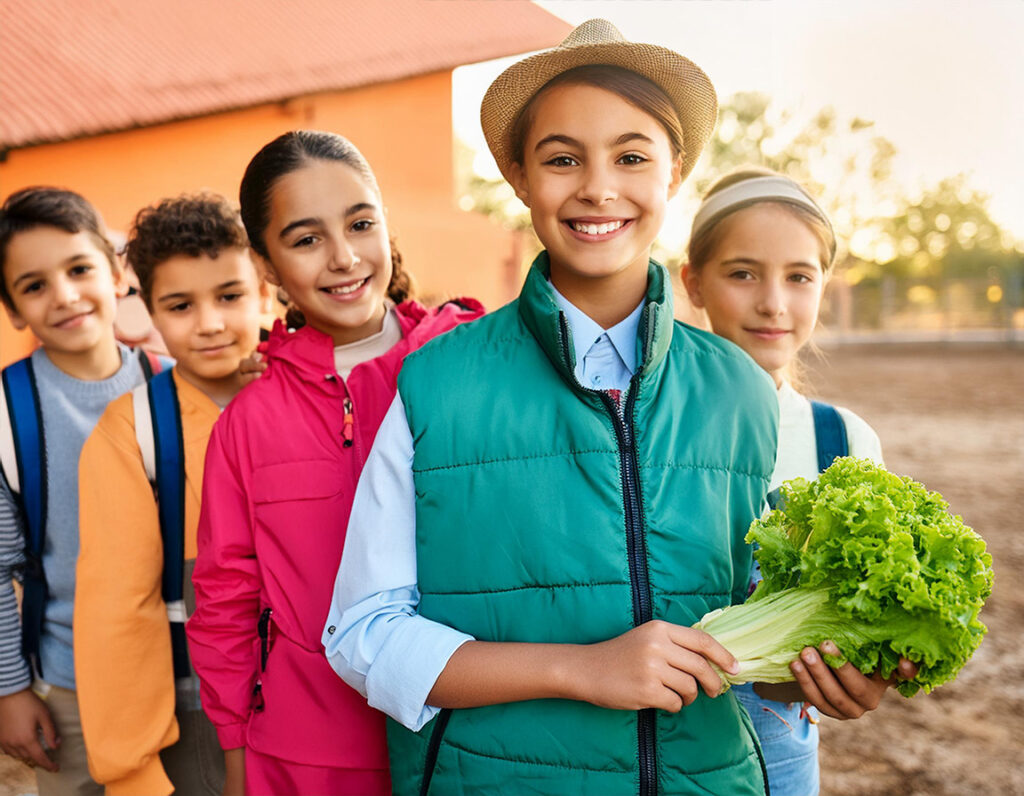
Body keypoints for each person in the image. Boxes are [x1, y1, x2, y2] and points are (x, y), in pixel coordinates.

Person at [323, 20, 797, 796]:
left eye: (632, 157)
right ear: (518, 176)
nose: (598, 187)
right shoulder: (437, 385)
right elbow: (364, 637)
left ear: (674, 172)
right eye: (562, 158)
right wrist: (584, 669)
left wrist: (814, 675)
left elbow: (750, 629)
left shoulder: (743, 389)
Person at [184, 130, 484, 796]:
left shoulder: (464, 367)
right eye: (306, 238)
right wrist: (238, 757)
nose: (345, 258)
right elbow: (226, 603)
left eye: (360, 224)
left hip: (467, 735)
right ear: (266, 265)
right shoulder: (247, 424)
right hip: (307, 758)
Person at [681, 167, 916, 796]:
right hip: (651, 745)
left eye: (798, 277)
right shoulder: (648, 428)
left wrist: (850, 675)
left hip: (779, 758)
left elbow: (843, 626)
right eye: (742, 272)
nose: (773, 303)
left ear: (823, 287)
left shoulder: (843, 441)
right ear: (693, 281)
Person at [74, 193, 268, 796]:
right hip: (197, 714)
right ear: (149, 310)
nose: (209, 323)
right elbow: (117, 612)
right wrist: (133, 769)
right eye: (180, 305)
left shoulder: (316, 394)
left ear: (267, 287)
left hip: (334, 698)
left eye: (229, 296)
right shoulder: (132, 431)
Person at [0, 187, 170, 795]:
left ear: (118, 271)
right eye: (34, 285)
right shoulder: (6, 414)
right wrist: (11, 690)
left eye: (78, 269)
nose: (66, 296)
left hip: (185, 675)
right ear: (14, 309)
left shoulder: (173, 387)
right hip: (73, 684)